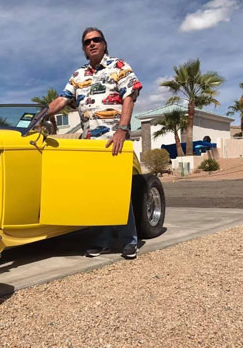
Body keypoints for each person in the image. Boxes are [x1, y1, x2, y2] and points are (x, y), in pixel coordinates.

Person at [47, 27, 142, 259]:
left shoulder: (119, 66)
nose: (92, 44)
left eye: (96, 40)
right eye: (87, 41)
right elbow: (62, 98)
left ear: (104, 43)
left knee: (117, 191)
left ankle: (129, 240)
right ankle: (101, 241)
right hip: (89, 143)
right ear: (84, 48)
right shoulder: (78, 75)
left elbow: (129, 96)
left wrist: (122, 129)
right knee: (95, 193)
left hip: (113, 140)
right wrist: (39, 116)